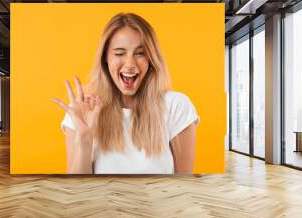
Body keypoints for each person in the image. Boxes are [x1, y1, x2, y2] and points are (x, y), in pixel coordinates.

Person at [51, 13, 199, 174]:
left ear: (151, 59)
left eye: (140, 53)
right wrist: (85, 139)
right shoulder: (83, 109)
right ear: (105, 58)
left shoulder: (176, 105)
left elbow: (184, 184)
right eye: (119, 53)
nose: (130, 64)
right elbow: (76, 192)